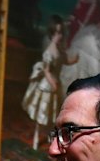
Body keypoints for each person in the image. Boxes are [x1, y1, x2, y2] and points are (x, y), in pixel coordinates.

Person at [22, 15, 78, 150]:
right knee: (42, 114)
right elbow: (47, 71)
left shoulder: (59, 50)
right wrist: (52, 82)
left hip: (56, 85)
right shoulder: (49, 52)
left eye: (61, 33)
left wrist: (74, 60)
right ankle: (36, 137)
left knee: (53, 113)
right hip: (47, 86)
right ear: (52, 34)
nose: (59, 36)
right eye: (57, 33)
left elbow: (64, 60)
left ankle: (51, 136)